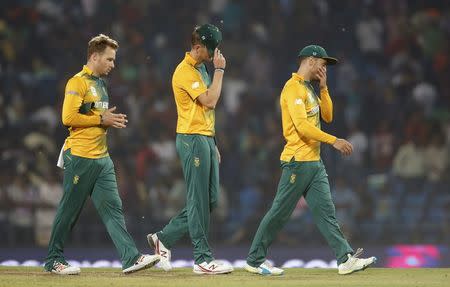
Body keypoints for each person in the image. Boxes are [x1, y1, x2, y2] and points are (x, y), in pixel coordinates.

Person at [244, 45, 377, 276]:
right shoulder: (292, 88)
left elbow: (327, 116)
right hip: (298, 160)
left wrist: (324, 88)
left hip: (314, 162)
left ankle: (345, 258)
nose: (325, 68)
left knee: (327, 212)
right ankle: (254, 260)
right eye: (323, 64)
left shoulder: (309, 89)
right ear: (311, 61)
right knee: (280, 212)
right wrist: (333, 140)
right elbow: (302, 127)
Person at [44, 34, 159, 275]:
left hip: (102, 158)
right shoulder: (77, 83)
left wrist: (107, 122)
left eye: (114, 59)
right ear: (94, 57)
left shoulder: (101, 84)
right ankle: (53, 259)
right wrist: (101, 119)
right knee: (70, 209)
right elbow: (68, 118)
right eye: (109, 59)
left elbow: (94, 119)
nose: (113, 64)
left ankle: (130, 258)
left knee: (113, 208)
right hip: (81, 156)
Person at [146, 24, 233, 275]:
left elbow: (208, 111)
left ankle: (164, 238)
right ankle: (202, 259)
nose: (216, 52)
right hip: (191, 139)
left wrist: (213, 142)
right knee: (197, 200)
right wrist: (219, 71)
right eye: (212, 48)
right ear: (197, 47)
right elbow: (210, 101)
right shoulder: (184, 72)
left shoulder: (202, 68)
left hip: (205, 138)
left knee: (211, 200)